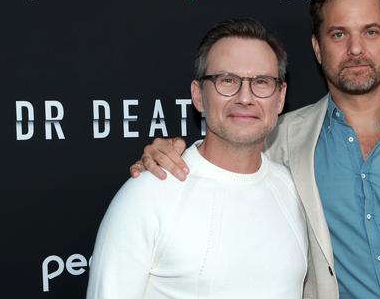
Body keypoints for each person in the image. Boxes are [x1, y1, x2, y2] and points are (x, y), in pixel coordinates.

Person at [131, 0, 380, 299]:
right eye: (339, 33)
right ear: (317, 46)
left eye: (370, 32)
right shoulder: (278, 139)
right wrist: (171, 152)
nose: (356, 49)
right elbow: (224, 158)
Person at [88, 18, 308, 299]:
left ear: (279, 99)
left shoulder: (292, 188)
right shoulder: (148, 193)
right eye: (227, 81)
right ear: (198, 95)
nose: (244, 97)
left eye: (261, 82)